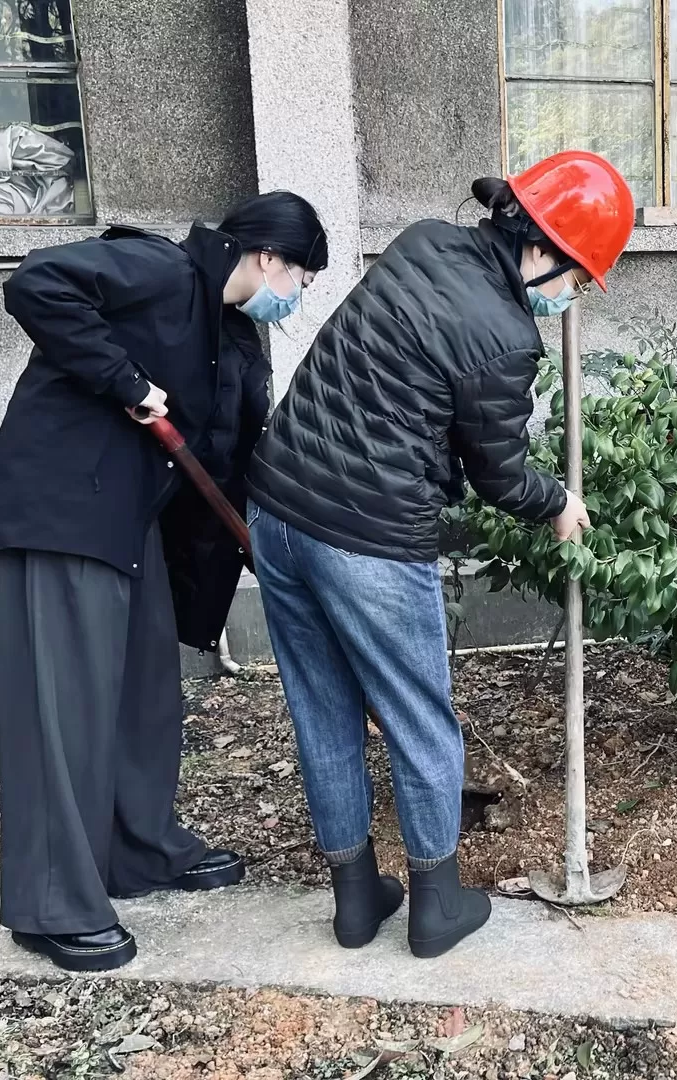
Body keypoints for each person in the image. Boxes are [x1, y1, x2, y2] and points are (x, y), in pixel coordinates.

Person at [245, 151, 631, 958]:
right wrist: (558, 503)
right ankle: (436, 906)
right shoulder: (504, 338)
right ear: (543, 251)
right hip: (369, 535)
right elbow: (497, 473)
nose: (574, 296)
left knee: (323, 710)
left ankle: (356, 901)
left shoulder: (422, 242)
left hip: (278, 504)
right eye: (580, 279)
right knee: (421, 718)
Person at [0, 192, 329, 971]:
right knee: (66, 710)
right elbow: (36, 284)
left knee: (145, 692)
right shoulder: (161, 268)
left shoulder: (226, 334)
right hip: (66, 514)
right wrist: (125, 380)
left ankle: (138, 847)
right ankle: (51, 902)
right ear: (269, 258)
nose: (293, 294)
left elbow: (232, 451)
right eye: (299, 275)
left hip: (133, 527)